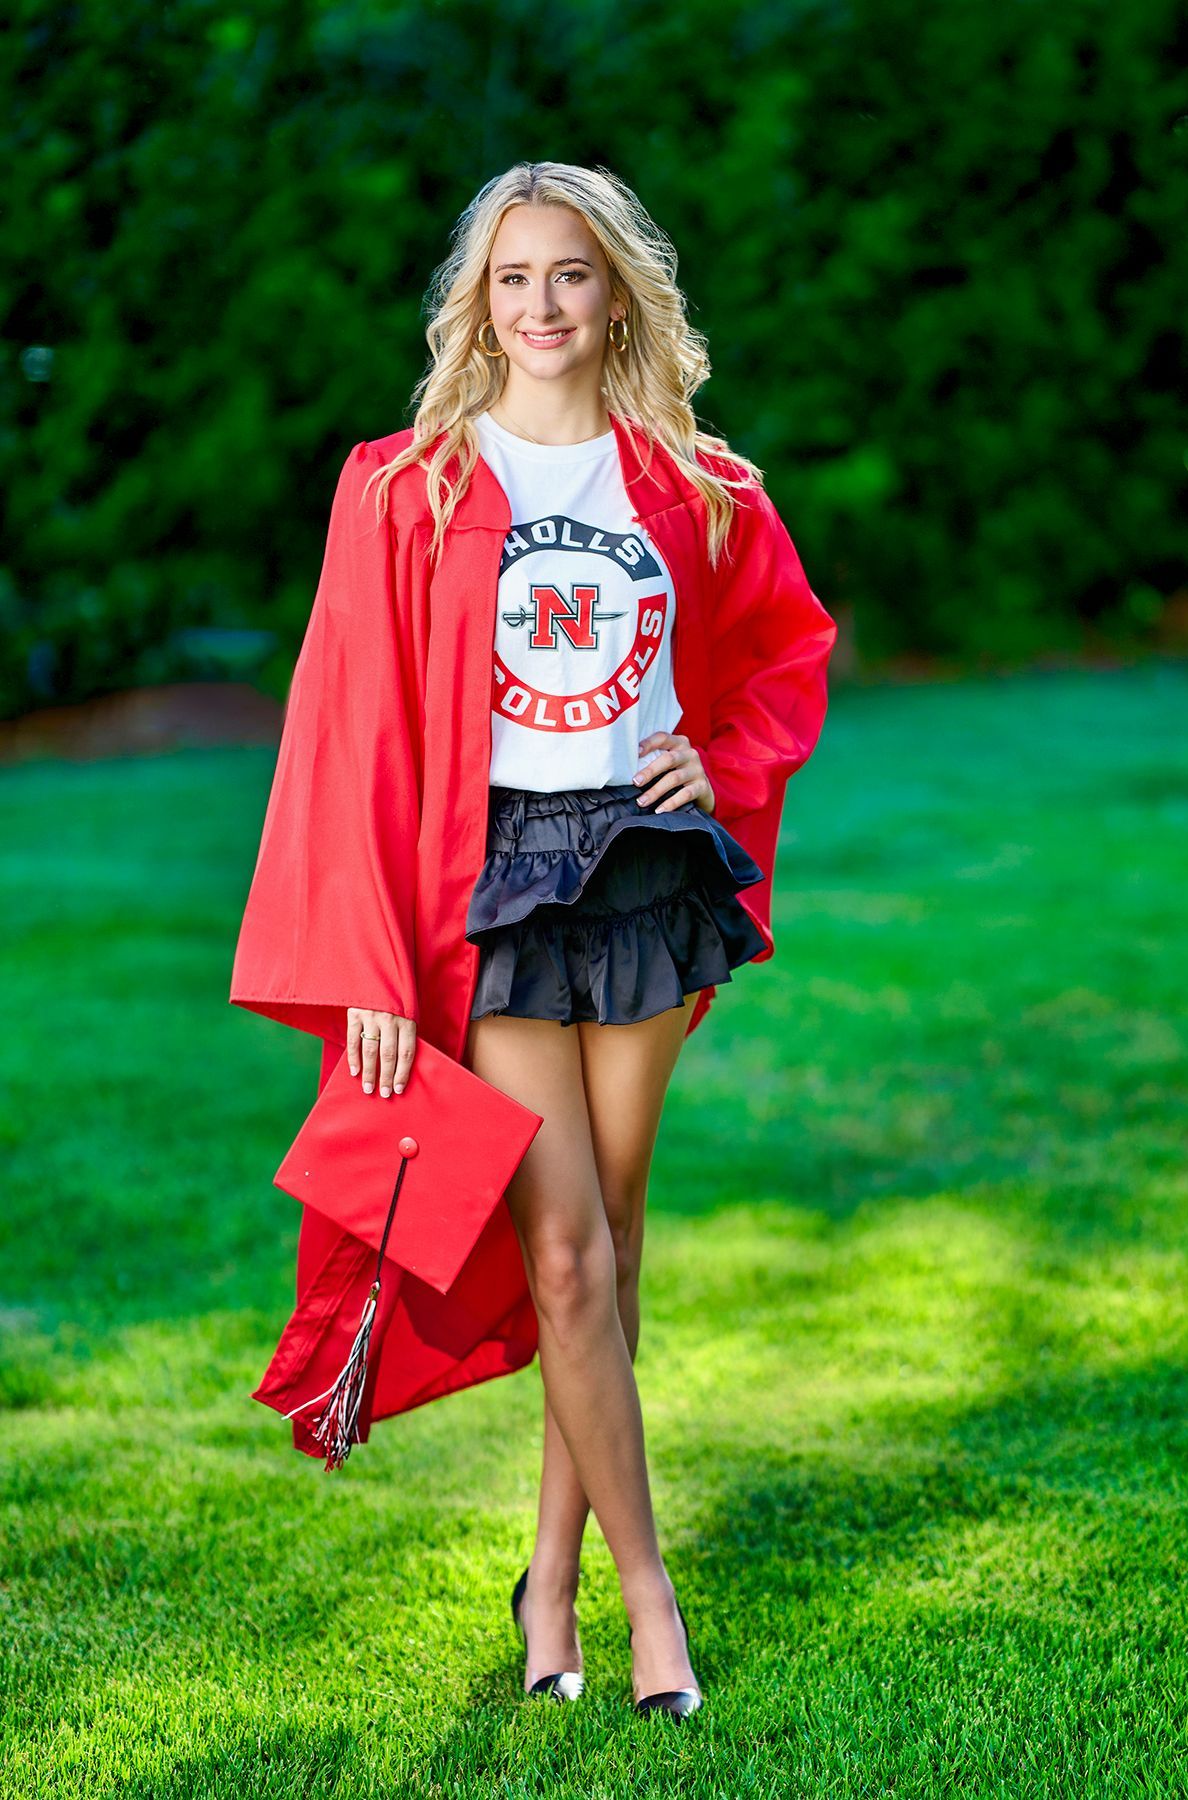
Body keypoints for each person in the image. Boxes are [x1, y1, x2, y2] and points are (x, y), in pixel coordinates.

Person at [230, 159, 837, 1720]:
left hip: (637, 870)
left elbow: (785, 648)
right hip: (485, 886)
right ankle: (651, 1613)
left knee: (616, 1246)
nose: (543, 305)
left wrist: (730, 757)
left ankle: (549, 1581)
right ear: (475, 303)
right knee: (559, 1247)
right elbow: (341, 734)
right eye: (512, 278)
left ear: (617, 291)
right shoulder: (407, 488)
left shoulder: (697, 486)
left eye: (571, 274)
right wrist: (367, 965)